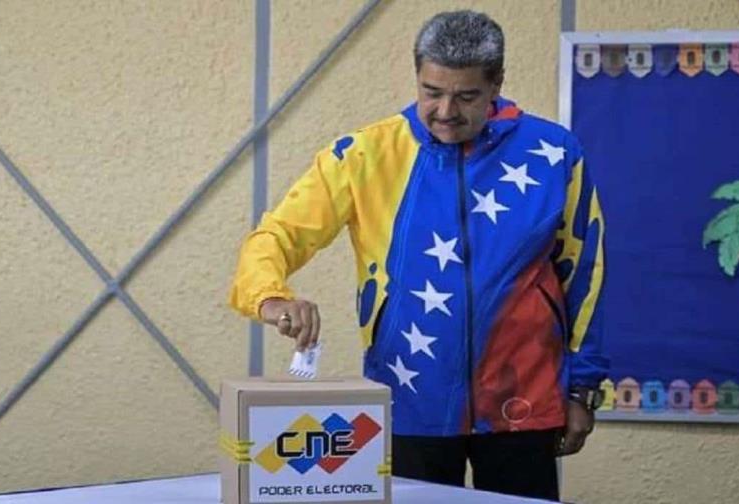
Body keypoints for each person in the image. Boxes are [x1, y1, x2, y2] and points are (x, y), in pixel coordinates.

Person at [229, 10, 608, 501]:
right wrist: (271, 298)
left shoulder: (555, 153)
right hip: (407, 400)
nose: (445, 110)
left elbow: (585, 273)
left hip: (524, 400)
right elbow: (277, 234)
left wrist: (582, 389)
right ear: (417, 77)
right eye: (432, 92)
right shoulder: (363, 154)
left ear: (496, 84)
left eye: (466, 96)